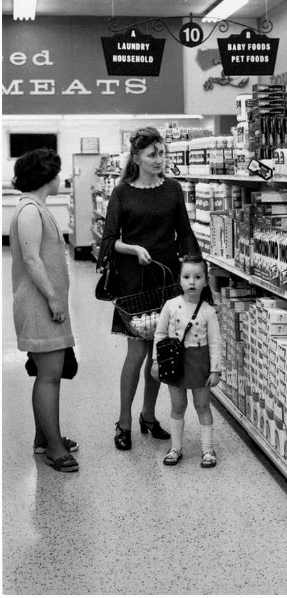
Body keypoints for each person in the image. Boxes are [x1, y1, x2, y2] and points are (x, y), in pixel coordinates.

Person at [99, 127, 201, 451]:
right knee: (137, 352)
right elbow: (109, 240)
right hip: (134, 278)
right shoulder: (122, 193)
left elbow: (184, 232)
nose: (160, 160)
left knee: (161, 351)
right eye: (152, 154)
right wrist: (131, 249)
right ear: (137, 158)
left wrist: (195, 268)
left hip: (167, 276)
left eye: (162, 153)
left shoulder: (173, 189)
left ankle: (148, 415)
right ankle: (124, 421)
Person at [9, 148, 79, 472]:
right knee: (49, 377)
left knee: (48, 373)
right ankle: (53, 447)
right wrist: (53, 298)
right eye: (56, 173)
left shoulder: (36, 208)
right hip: (39, 306)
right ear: (47, 177)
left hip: (45, 305)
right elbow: (33, 260)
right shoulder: (29, 212)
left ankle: (45, 436)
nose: (59, 178)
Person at [149, 256, 222, 468]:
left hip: (200, 363)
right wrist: (156, 361)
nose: (192, 282)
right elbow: (160, 334)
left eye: (198, 277)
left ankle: (208, 449)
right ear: (179, 280)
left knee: (202, 405)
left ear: (206, 281)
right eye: (187, 276)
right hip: (176, 363)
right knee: (177, 405)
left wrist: (215, 370)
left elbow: (215, 342)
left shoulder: (208, 311)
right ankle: (176, 448)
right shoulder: (171, 306)